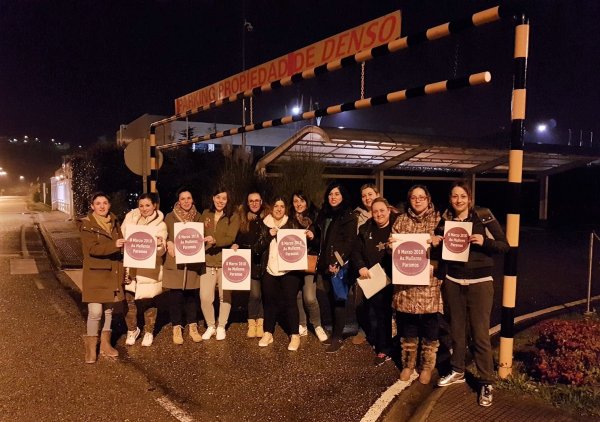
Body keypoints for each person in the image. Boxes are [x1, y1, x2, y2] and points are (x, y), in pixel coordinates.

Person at [434, 181, 509, 407]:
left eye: (462, 196)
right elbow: (441, 250)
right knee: (457, 330)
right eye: (454, 196)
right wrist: (435, 242)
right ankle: (458, 370)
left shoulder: (483, 217)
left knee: (480, 334)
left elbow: (503, 245)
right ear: (450, 199)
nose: (458, 200)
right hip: (453, 281)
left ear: (469, 199)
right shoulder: (445, 221)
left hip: (480, 282)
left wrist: (484, 241)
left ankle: (486, 381)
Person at [391, 185, 443, 384]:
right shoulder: (401, 220)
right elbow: (393, 247)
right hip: (407, 282)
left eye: (422, 197)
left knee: (430, 324)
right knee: (408, 323)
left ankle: (427, 366)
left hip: (430, 282)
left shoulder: (439, 220)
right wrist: (391, 246)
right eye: (414, 197)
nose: (418, 200)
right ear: (409, 200)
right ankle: (408, 364)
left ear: (428, 199)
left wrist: (438, 242)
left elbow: (449, 248)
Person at [253, 196, 309, 351]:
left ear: (286, 209)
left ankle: (294, 335)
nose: (279, 209)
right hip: (269, 269)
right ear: (271, 208)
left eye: (282, 206)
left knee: (290, 301)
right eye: (276, 206)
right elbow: (256, 249)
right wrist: (268, 236)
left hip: (289, 269)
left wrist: (308, 236)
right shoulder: (263, 224)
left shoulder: (292, 223)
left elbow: (300, 242)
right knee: (269, 302)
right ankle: (268, 332)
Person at [79, 192, 124, 363]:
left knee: (108, 310)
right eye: (98, 203)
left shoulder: (115, 222)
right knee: (95, 312)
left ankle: (105, 344)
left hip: (112, 271)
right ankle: (91, 348)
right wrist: (115, 245)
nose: (102, 206)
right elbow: (92, 249)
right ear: (92, 206)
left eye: (105, 203)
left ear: (109, 205)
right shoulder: (87, 224)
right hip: (95, 273)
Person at [353, 197, 399, 366]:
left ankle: (401, 346)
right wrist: (361, 266)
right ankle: (384, 348)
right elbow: (356, 251)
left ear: (389, 210)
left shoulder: (399, 226)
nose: (379, 214)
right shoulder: (365, 229)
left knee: (402, 316)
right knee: (381, 314)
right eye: (375, 211)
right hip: (377, 279)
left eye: (382, 210)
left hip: (397, 276)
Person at [315, 181, 358, 353]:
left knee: (339, 299)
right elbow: (322, 240)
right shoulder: (325, 215)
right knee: (330, 299)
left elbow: (349, 242)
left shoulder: (349, 215)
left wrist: (337, 262)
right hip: (326, 264)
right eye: (330, 194)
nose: (333, 197)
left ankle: (338, 337)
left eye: (337, 194)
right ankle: (334, 332)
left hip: (338, 265)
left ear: (343, 196)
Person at [121, 192, 168, 347]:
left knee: (149, 302)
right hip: (131, 268)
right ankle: (132, 330)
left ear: (154, 205)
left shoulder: (160, 225)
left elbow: (161, 251)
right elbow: (123, 236)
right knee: (129, 301)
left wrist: (159, 245)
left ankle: (149, 331)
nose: (144, 208)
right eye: (141, 205)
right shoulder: (130, 219)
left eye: (148, 205)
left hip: (149, 270)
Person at [163, 188, 203, 345]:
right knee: (176, 296)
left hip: (192, 262)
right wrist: (168, 242)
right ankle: (177, 327)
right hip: (175, 262)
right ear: (178, 201)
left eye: (189, 198)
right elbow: (164, 234)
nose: (186, 201)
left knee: (191, 297)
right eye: (183, 198)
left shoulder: (198, 217)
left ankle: (193, 326)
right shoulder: (170, 217)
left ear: (192, 200)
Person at [199, 188, 240, 341]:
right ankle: (211, 326)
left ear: (228, 201)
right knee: (205, 297)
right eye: (218, 197)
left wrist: (215, 241)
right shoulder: (205, 214)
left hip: (225, 262)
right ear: (213, 198)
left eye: (224, 198)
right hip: (207, 262)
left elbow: (230, 237)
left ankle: (221, 325)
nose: (220, 201)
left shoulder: (233, 216)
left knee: (225, 296)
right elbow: (198, 233)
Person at [291, 191, 328, 343]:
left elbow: (321, 240)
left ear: (307, 202)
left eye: (301, 200)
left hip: (308, 260)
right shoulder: (290, 219)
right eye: (295, 201)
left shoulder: (315, 217)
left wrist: (313, 237)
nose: (298, 204)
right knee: (297, 295)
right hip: (293, 260)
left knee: (310, 297)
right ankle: (302, 323)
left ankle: (317, 325)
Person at [233, 191, 266, 338]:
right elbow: (238, 237)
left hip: (265, 261)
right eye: (251, 201)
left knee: (264, 293)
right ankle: (252, 321)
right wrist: (236, 245)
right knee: (255, 294)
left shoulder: (267, 219)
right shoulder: (243, 219)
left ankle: (261, 322)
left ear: (261, 202)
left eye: (257, 200)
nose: (254, 203)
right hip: (251, 261)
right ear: (247, 203)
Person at [352, 183, 380, 345]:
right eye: (364, 196)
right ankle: (363, 329)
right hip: (363, 264)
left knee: (381, 303)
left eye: (370, 194)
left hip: (382, 264)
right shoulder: (357, 216)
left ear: (377, 194)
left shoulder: (388, 212)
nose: (367, 198)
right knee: (361, 300)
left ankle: (381, 333)